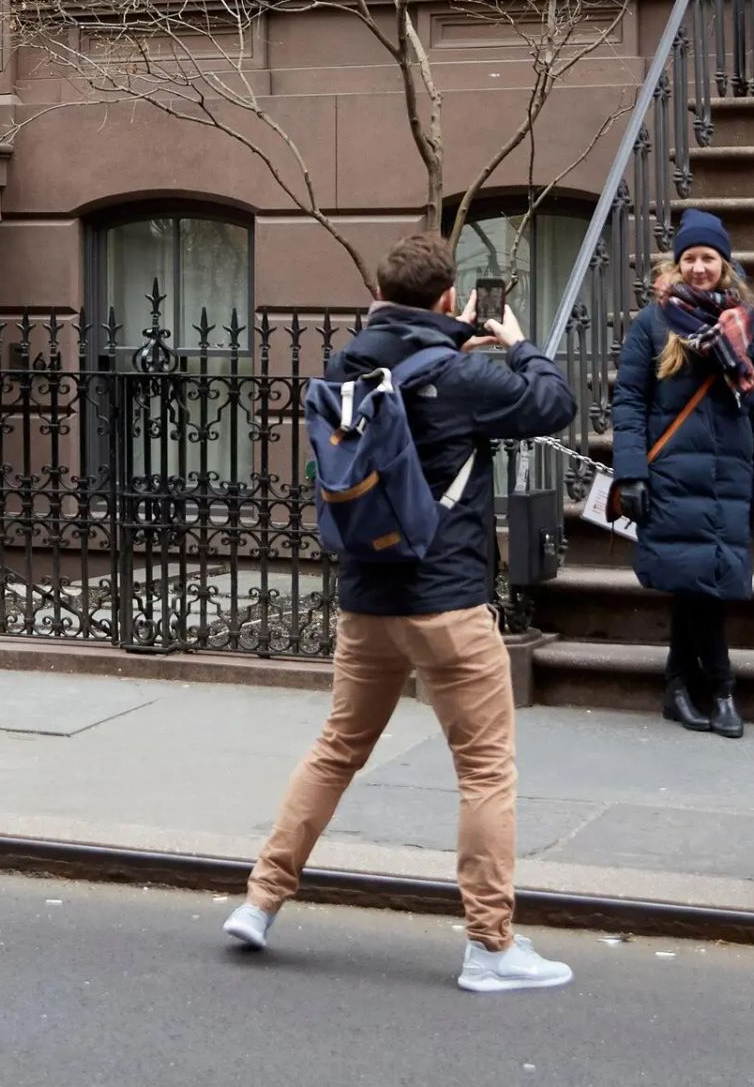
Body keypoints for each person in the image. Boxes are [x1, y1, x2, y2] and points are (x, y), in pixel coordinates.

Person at [221, 234, 579, 993]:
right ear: (449, 299)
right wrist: (518, 345)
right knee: (484, 768)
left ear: (378, 293)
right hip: (446, 600)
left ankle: (260, 899)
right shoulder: (461, 375)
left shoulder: (348, 364)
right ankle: (490, 945)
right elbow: (555, 403)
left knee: (336, 749)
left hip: (365, 596)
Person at [611, 209, 754, 739]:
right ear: (678, 263)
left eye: (708, 258)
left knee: (701, 582)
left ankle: (678, 687)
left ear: (725, 264)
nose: (699, 267)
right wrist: (631, 473)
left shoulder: (748, 327)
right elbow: (630, 401)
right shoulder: (654, 322)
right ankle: (723, 689)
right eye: (690, 258)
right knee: (696, 581)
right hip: (673, 475)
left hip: (730, 474)